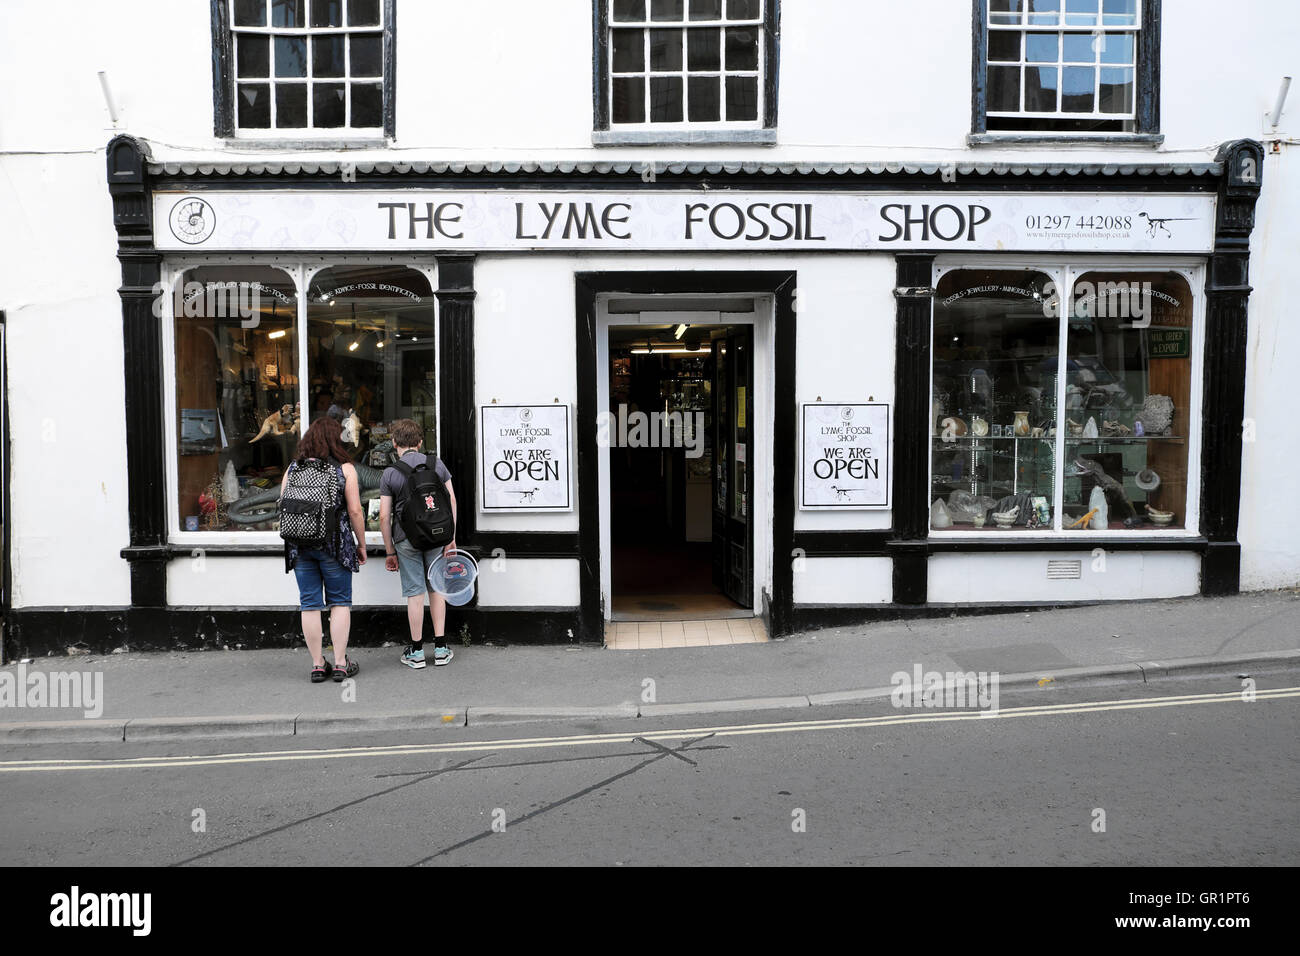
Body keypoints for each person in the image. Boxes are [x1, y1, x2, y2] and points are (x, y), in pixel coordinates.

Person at [281, 415, 367, 683]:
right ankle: (340, 663)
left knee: (310, 604)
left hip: (300, 544)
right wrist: (361, 544)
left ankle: (318, 664)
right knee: (339, 602)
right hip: (335, 544)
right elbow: (354, 510)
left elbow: (283, 503)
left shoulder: (293, 468)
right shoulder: (345, 469)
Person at [379, 419, 457, 669]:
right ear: (420, 442)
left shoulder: (391, 473)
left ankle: (416, 652)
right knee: (437, 589)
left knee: (415, 593)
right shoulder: (437, 465)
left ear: (394, 443)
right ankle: (442, 648)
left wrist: (389, 550)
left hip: (406, 539)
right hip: (437, 536)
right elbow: (451, 501)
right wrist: (450, 538)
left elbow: (383, 516)